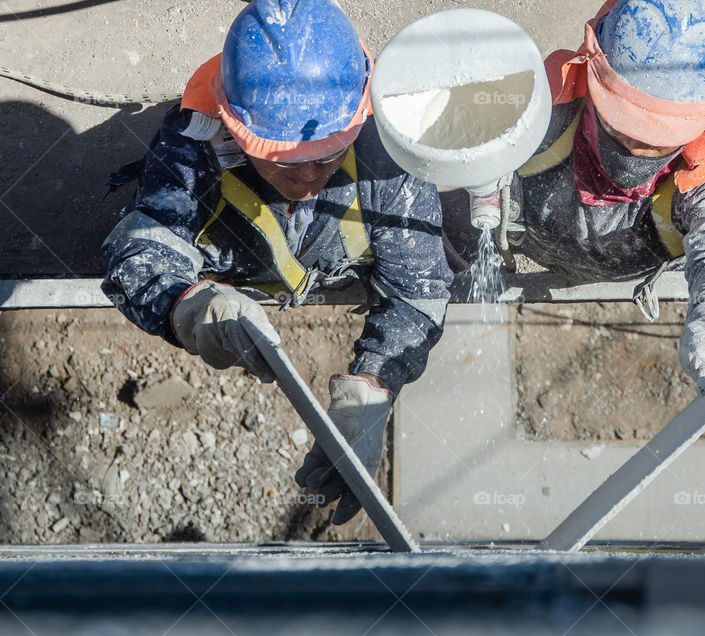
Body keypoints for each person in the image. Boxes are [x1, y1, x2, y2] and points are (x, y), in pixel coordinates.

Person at [101, 0, 453, 525]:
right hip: (236, 265)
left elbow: (419, 286)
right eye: (283, 159)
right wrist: (189, 306)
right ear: (235, 127)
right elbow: (139, 249)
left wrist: (374, 385)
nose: (308, 176)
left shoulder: (384, 143)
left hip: (330, 260)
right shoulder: (194, 145)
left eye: (328, 154)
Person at [511, 0, 705, 394]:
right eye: (623, 128)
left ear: (699, 122)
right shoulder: (545, 104)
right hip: (525, 243)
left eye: (655, 141)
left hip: (631, 273)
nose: (637, 150)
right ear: (594, 80)